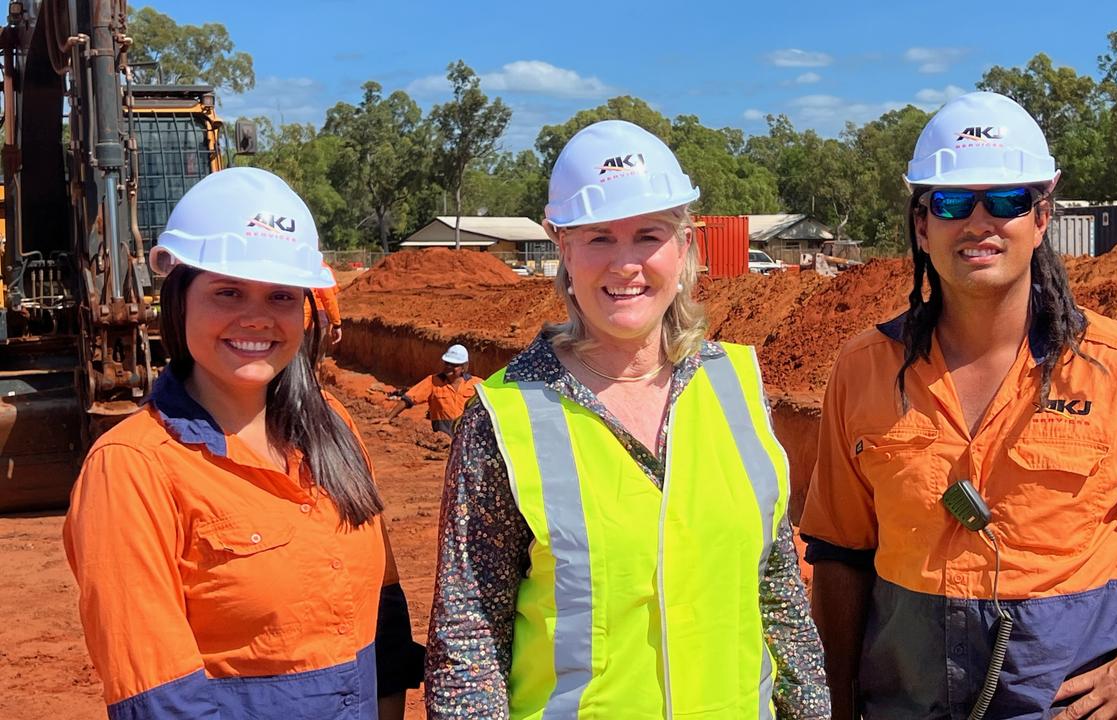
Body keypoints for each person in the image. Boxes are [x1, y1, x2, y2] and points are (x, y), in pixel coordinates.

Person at [799, 90, 1117, 720]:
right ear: (922, 223)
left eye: (1006, 200)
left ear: (1041, 218)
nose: (980, 222)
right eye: (950, 202)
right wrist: (837, 705)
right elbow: (841, 554)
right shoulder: (864, 369)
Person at [423, 120, 830, 718]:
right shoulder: (506, 418)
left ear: (685, 246)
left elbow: (777, 592)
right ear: (561, 246)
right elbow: (468, 639)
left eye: (647, 236)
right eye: (598, 239)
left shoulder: (740, 387)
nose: (626, 265)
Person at [62, 167, 422, 719]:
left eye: (280, 296)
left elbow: (383, 619)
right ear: (179, 299)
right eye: (228, 291)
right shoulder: (133, 469)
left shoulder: (334, 430)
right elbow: (159, 700)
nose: (256, 318)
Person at [385, 343, 480, 435]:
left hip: (468, 439)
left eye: (454, 365)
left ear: (464, 367)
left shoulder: (477, 384)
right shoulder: (432, 381)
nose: (449, 367)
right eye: (447, 363)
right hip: (443, 440)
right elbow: (409, 398)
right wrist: (388, 418)